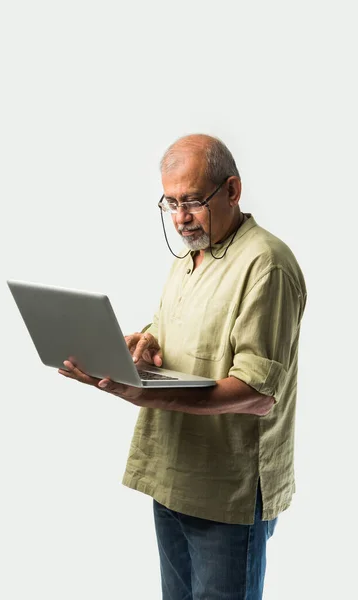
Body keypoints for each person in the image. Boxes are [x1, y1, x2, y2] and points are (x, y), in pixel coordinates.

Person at [59, 134, 307, 600]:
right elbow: (184, 326)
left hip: (225, 492)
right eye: (169, 203)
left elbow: (258, 392)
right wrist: (147, 338)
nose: (179, 219)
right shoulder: (190, 256)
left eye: (192, 201)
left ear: (232, 190)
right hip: (171, 476)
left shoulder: (266, 265)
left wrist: (143, 393)